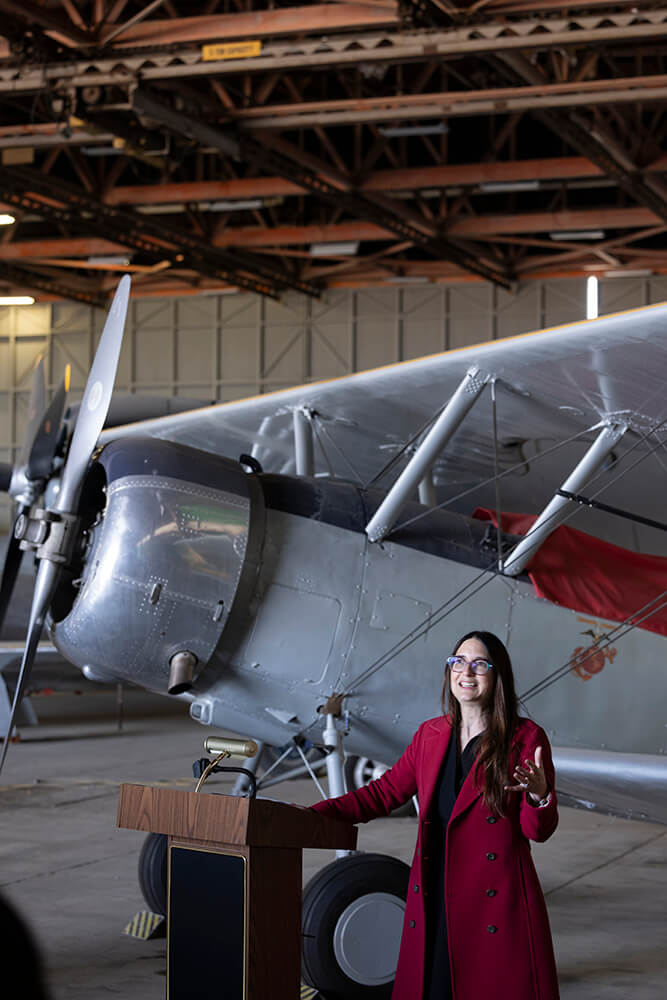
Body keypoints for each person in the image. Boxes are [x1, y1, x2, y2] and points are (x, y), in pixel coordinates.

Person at [310, 630, 560, 1000]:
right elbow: (381, 794)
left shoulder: (525, 739)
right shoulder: (431, 735)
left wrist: (540, 795)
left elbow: (536, 831)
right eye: (458, 662)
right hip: (434, 898)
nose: (467, 672)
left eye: (479, 664)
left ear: (498, 675)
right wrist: (308, 816)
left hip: (494, 907)